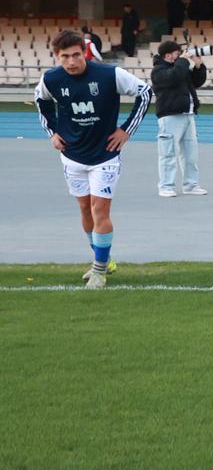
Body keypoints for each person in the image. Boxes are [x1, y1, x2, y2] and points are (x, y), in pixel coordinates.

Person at [34, 29, 152, 287]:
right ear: (57, 56)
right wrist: (52, 132)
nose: (72, 62)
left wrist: (126, 130)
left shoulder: (109, 74)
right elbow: (40, 101)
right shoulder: (51, 79)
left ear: (84, 52)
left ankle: (99, 271)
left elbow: (145, 92)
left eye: (76, 55)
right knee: (85, 209)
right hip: (72, 156)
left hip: (105, 155)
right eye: (65, 57)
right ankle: (104, 258)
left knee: (100, 209)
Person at [151, 40, 207, 197]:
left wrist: (198, 65)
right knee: (168, 153)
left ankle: (191, 184)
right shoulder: (158, 70)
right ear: (168, 55)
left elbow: (197, 82)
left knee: (191, 154)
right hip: (170, 116)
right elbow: (173, 77)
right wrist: (183, 60)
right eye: (177, 54)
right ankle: (166, 186)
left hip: (188, 114)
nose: (181, 56)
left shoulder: (180, 68)